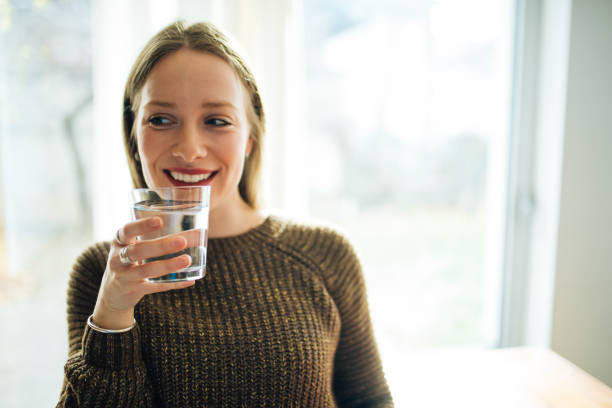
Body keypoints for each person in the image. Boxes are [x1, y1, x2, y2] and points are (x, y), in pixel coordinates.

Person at [57, 21, 393, 407]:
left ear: (250, 137)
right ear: (133, 133)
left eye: (216, 121)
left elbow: (370, 400)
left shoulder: (325, 253)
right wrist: (113, 314)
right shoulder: (102, 274)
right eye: (161, 120)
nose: (189, 148)